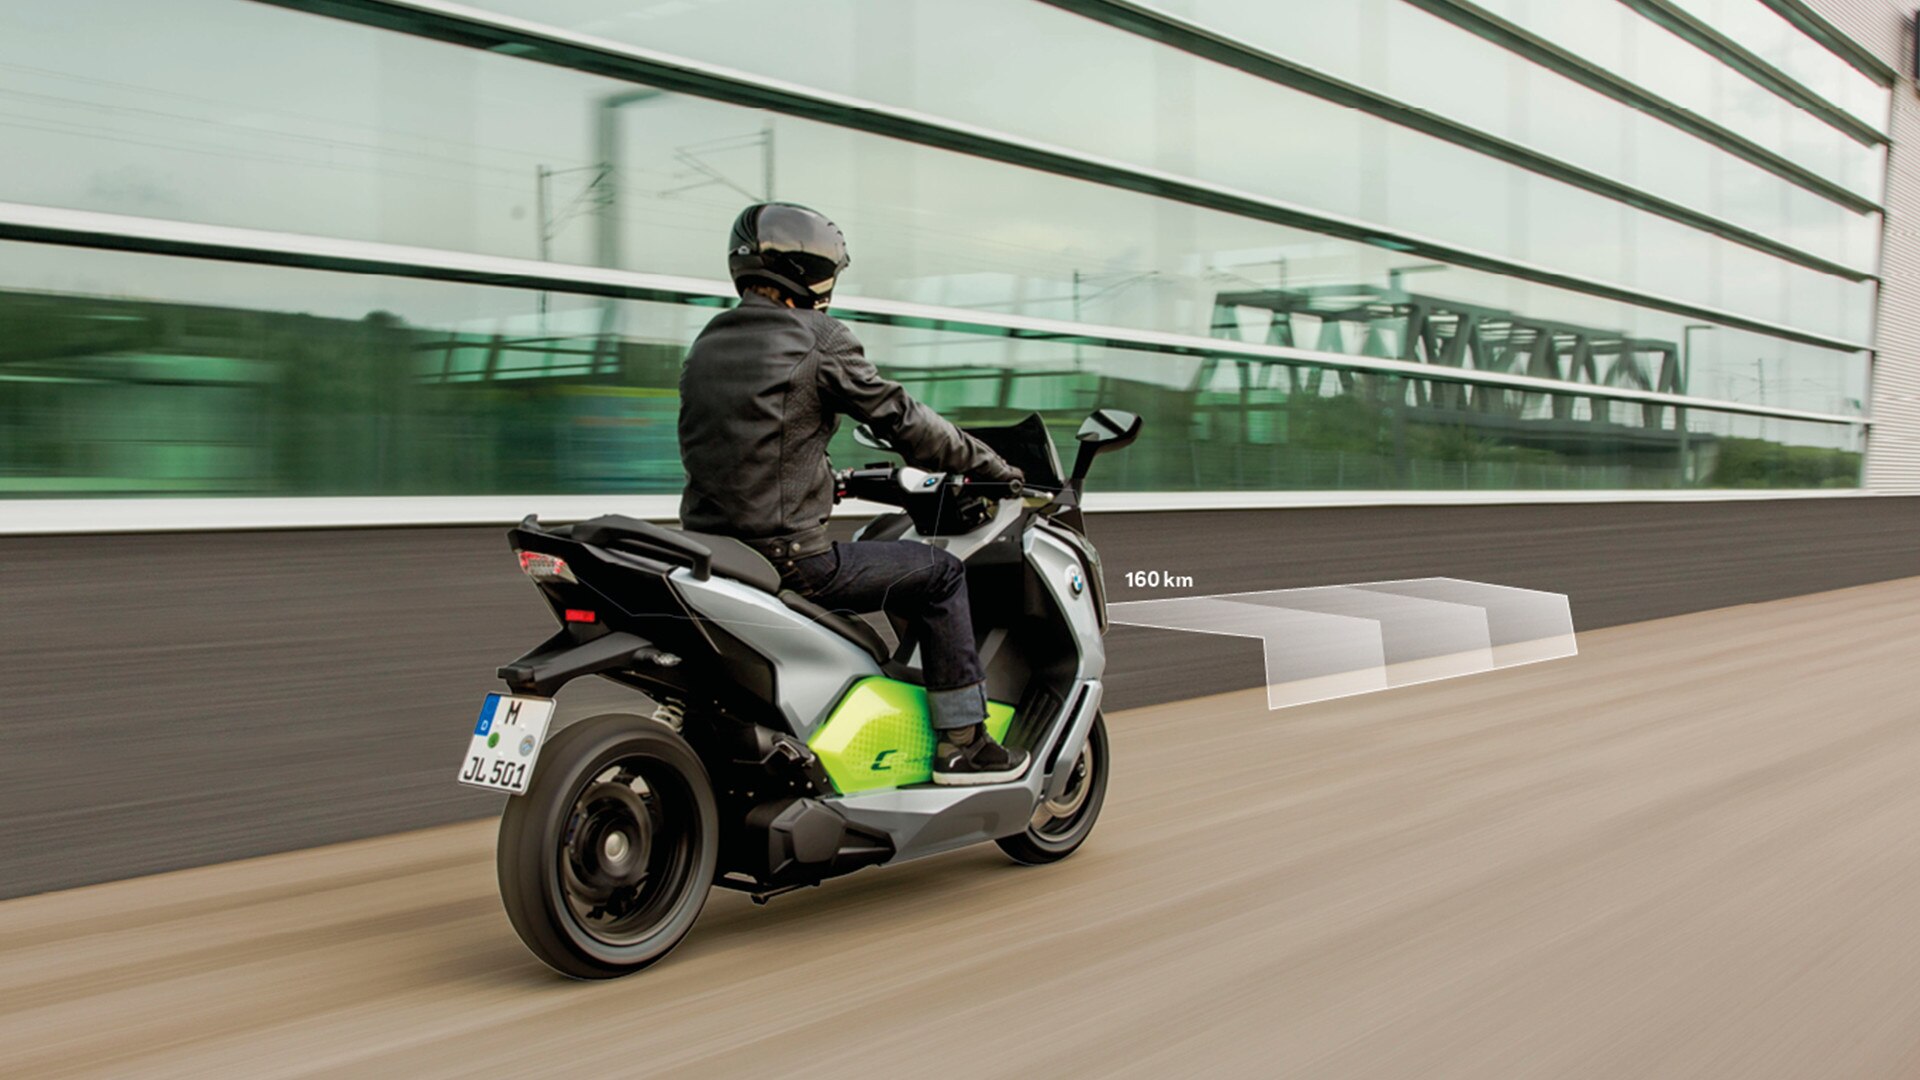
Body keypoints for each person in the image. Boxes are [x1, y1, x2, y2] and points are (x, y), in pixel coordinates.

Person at [677, 202, 1030, 785]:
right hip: (791, 559)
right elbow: (906, 422)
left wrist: (826, 480)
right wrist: (994, 465)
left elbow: (752, 442)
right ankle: (964, 743)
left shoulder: (708, 342)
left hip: (716, 555)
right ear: (811, 273)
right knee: (941, 574)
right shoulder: (817, 337)